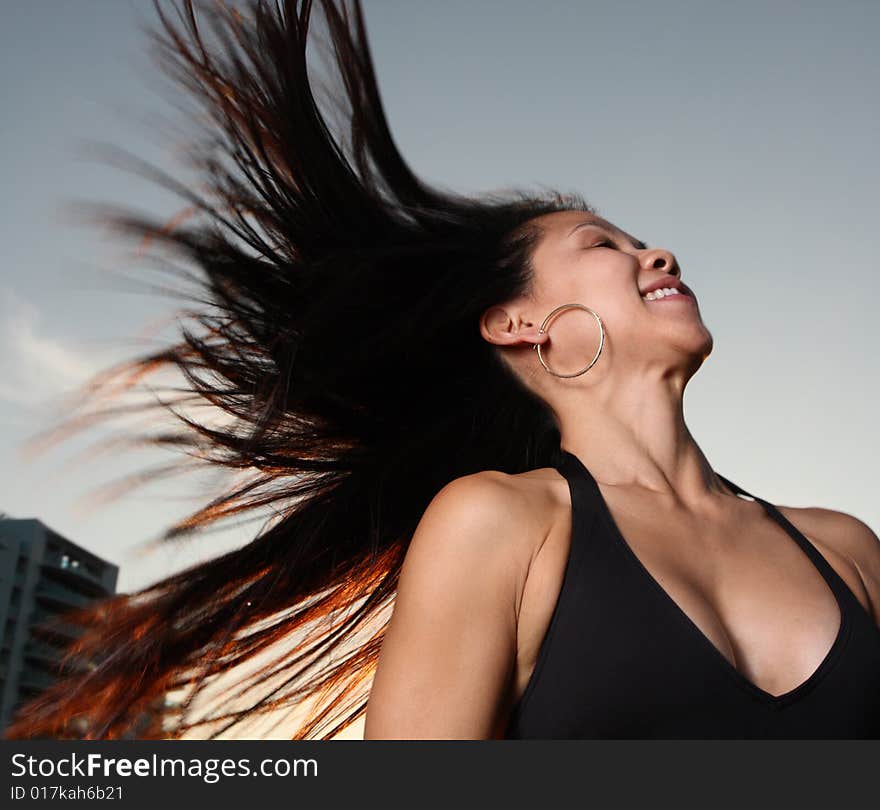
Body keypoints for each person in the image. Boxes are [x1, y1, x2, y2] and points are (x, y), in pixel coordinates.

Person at [5, 0, 878, 741]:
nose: (658, 253)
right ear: (517, 323)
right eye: (604, 244)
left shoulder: (847, 548)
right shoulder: (498, 525)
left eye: (640, 240)